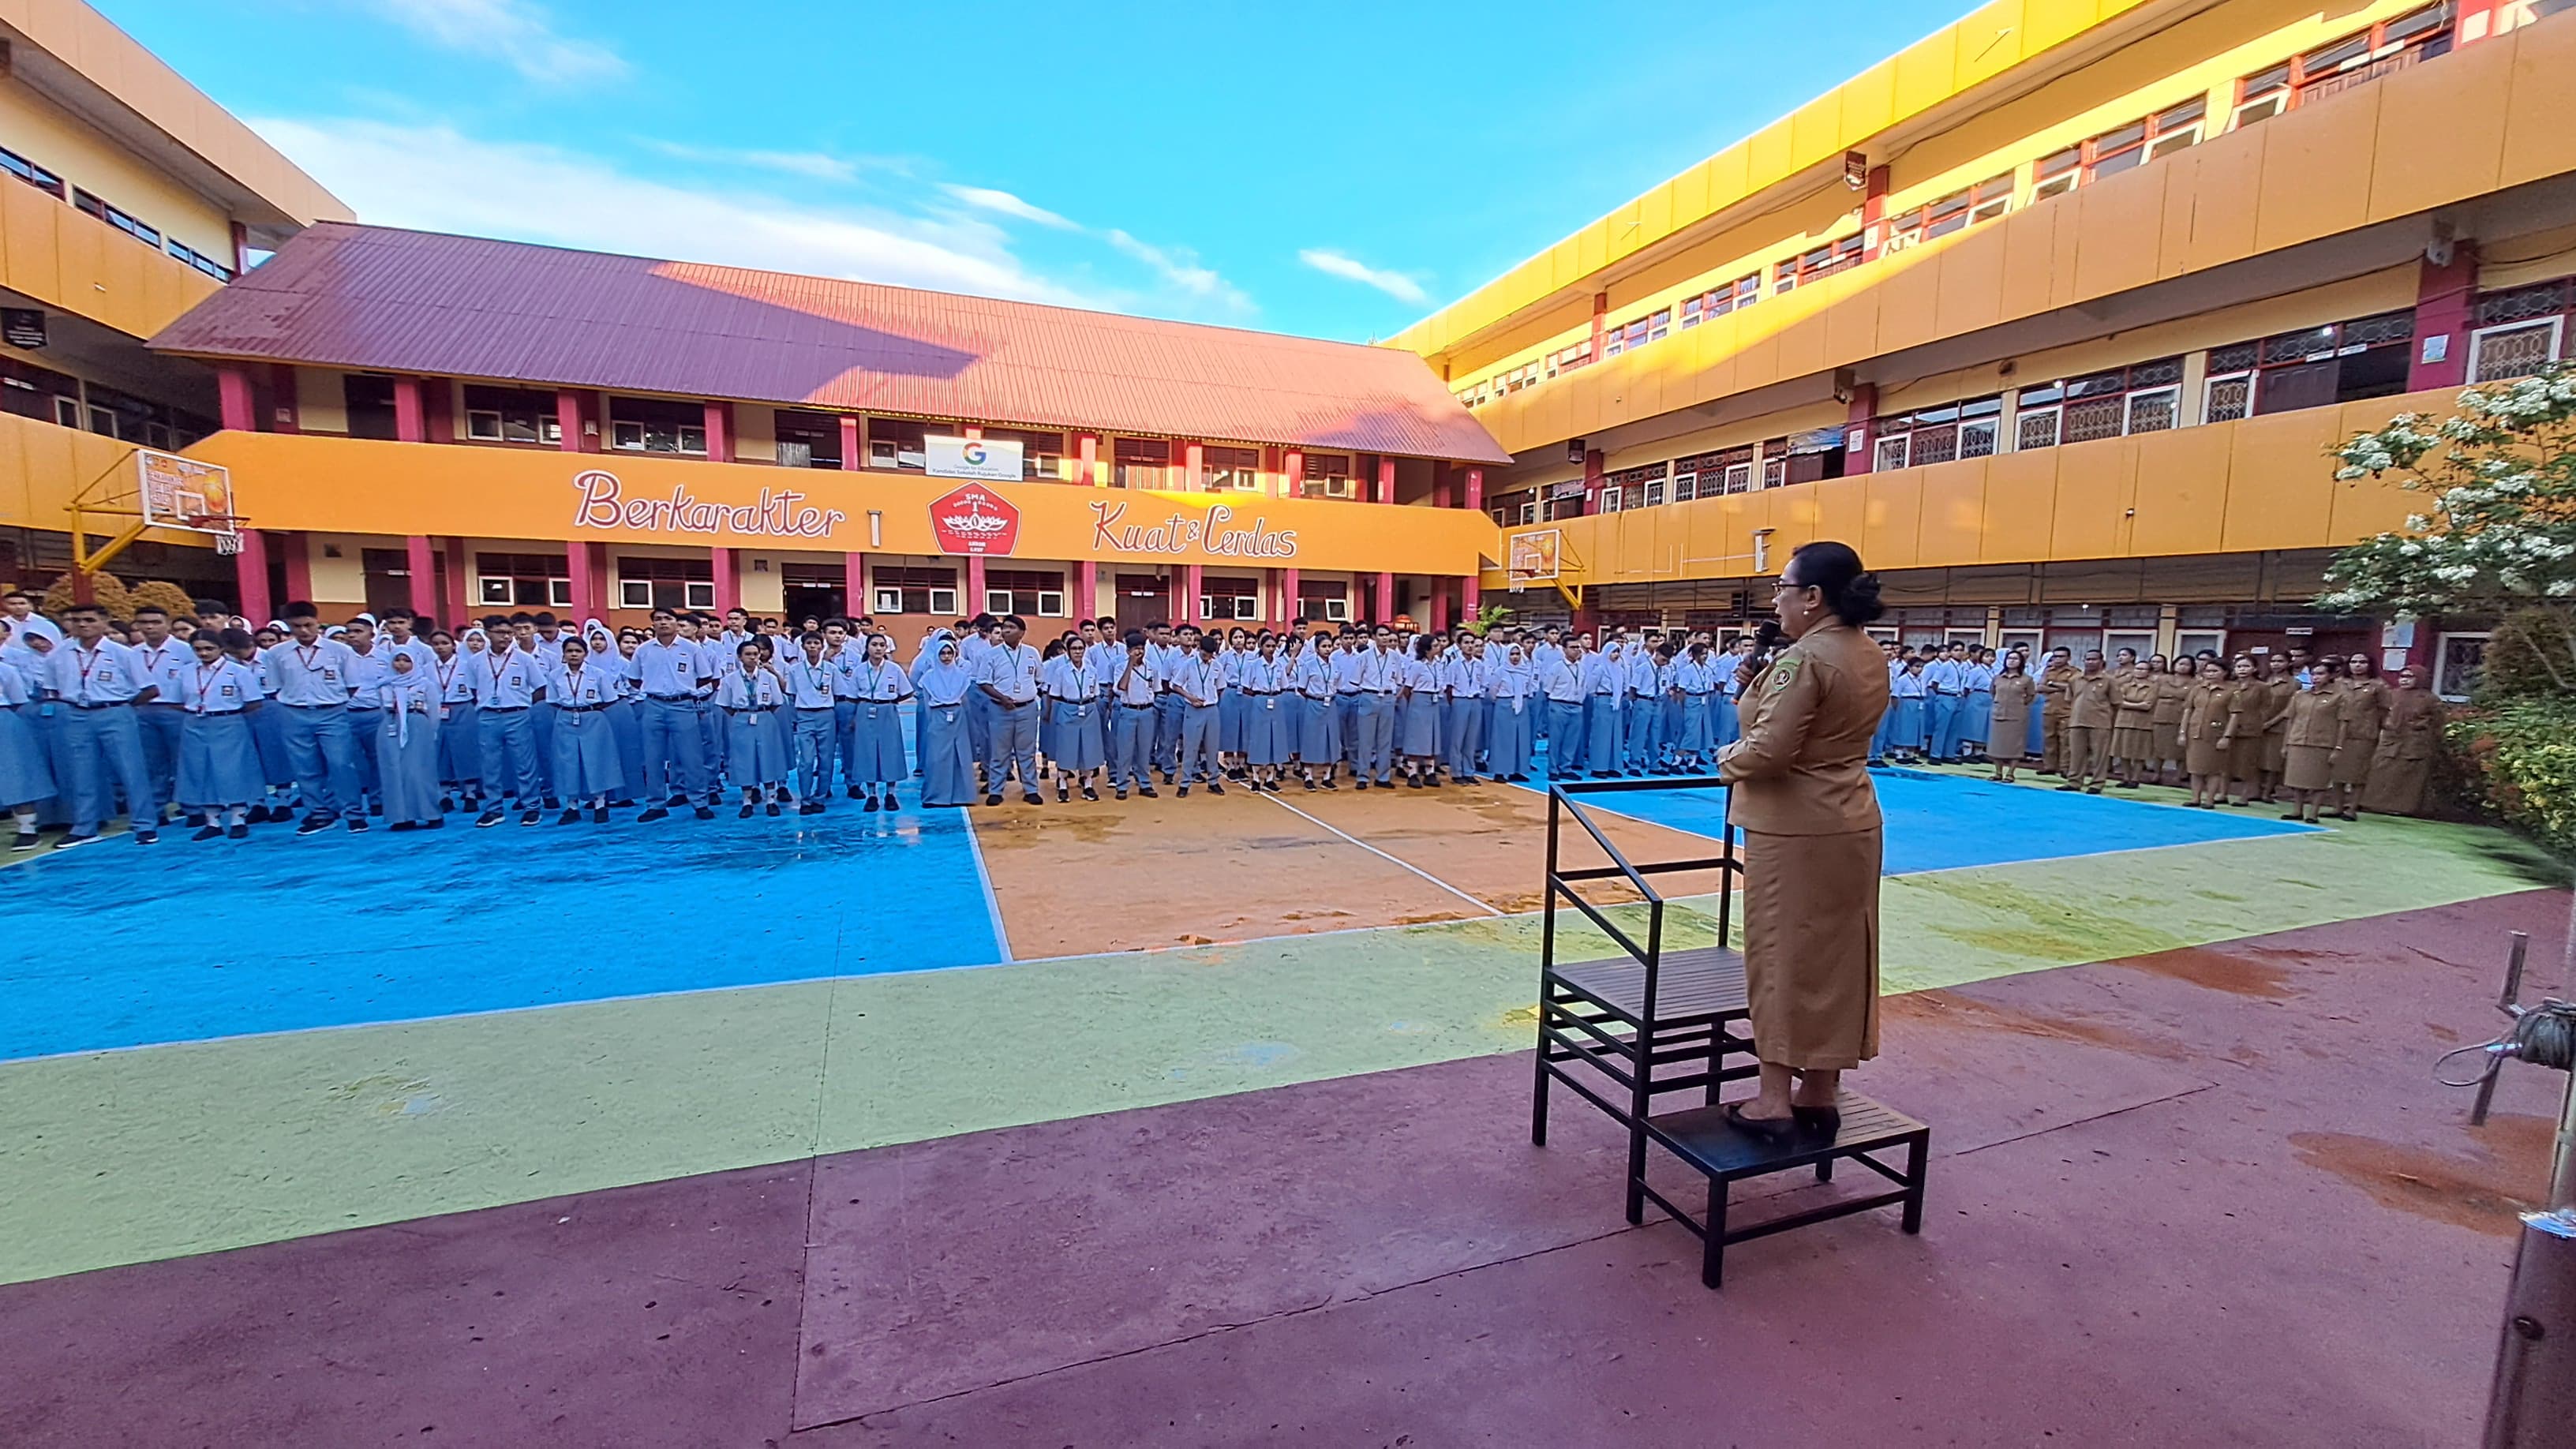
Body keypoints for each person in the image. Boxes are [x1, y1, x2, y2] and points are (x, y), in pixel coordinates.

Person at [1717, 541, 1889, 1136]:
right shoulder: (1865, 652)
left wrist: (1726, 757)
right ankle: (1821, 1089)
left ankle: (1773, 1099)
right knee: (1838, 957)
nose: (1776, 600)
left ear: (1813, 598)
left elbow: (1768, 751)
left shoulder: (1804, 659)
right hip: (1850, 820)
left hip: (1793, 828)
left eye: (1782, 589)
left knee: (1781, 956)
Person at [41, 601, 160, 847]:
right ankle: (85, 826)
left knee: (131, 770)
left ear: (105, 623)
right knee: (81, 772)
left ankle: (145, 824)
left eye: (90, 620)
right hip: (76, 714)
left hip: (114, 711)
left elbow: (150, 689)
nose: (83, 625)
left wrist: (124, 706)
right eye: (77, 621)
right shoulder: (58, 654)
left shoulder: (123, 654)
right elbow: (51, 690)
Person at [545, 635, 624, 822]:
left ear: (585, 654)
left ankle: (600, 804)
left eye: (578, 651)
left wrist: (587, 711)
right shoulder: (555, 675)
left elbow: (610, 699)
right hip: (565, 719)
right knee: (568, 761)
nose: (574, 655)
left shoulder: (597, 674)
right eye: (569, 651)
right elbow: (553, 701)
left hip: (593, 719)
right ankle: (572, 806)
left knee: (596, 760)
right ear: (563, 654)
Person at [976, 614, 1045, 806]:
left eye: (1011, 627)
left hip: (1027, 709)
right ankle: (996, 790)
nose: (1006, 631)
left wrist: (1027, 695)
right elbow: (983, 682)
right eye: (1004, 627)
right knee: (1000, 752)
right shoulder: (991, 654)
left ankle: (1031, 789)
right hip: (1000, 709)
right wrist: (1001, 698)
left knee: (1027, 752)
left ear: (1022, 632)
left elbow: (1040, 678)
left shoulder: (1032, 653)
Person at [716, 638, 789, 816]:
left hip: (765, 717)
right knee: (744, 759)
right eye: (748, 654)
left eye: (755, 654)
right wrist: (742, 714)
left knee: (768, 757)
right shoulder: (730, 679)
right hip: (742, 717)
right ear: (739, 657)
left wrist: (761, 712)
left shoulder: (769, 677)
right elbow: (725, 704)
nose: (753, 658)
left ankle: (771, 799)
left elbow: (777, 702)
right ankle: (747, 801)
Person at [375, 646, 447, 829]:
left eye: (406, 660)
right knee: (394, 770)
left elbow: (433, 711)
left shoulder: (425, 684)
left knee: (419, 770)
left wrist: (430, 731)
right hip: (392, 725)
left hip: (417, 724)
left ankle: (430, 812)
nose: (401, 664)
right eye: (397, 660)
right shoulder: (385, 684)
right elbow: (383, 709)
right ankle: (401, 817)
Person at [2361, 665, 2447, 816]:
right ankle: (2373, 804)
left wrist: (2421, 728)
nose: (2405, 680)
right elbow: (2378, 713)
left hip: (2415, 743)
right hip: (2390, 740)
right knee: (2381, 771)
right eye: (2402, 677)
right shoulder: (2390, 695)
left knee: (2409, 776)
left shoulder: (2430, 699)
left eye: (2409, 677)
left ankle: (2404, 808)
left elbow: (2438, 721)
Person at [843, 631, 913, 813]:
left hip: (888, 710)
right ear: (867, 648)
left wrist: (888, 703)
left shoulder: (894, 669)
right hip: (866, 710)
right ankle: (872, 795)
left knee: (891, 751)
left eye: (882, 645)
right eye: (874, 645)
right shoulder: (859, 670)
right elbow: (852, 696)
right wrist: (855, 717)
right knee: (867, 752)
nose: (878, 648)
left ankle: (890, 794)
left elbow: (906, 692)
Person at [0, 619, 54, 849]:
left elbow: (18, 699)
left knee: (15, 773)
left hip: (3, 716)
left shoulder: (6, 669)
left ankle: (27, 828)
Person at [2277, 657, 2346, 823]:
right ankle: (2297, 810)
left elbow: (2344, 723)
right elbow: (2291, 720)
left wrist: (2338, 747)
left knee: (2318, 781)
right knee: (2296, 780)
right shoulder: (2300, 695)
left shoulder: (2339, 697)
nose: (2316, 677)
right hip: (2298, 740)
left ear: (2330, 676)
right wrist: (2286, 743)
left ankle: (2313, 813)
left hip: (2322, 743)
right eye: (2314, 674)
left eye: (2321, 674)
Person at [915, 638, 981, 808]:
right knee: (937, 757)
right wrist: (932, 722)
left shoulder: (961, 676)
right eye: (942, 653)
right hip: (938, 715)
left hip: (958, 715)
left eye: (949, 653)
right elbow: (927, 703)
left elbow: (964, 700)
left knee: (960, 755)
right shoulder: (929, 677)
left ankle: (962, 795)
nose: (946, 657)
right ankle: (935, 796)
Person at [1043, 636, 1106, 801]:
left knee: (1089, 748)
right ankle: (1063, 783)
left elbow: (1096, 693)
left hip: (1088, 708)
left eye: (1080, 649)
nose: (1078, 652)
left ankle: (1088, 784)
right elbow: (1054, 695)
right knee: (1066, 747)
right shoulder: (1061, 671)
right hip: (1067, 708)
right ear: (1068, 651)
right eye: (1074, 649)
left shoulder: (1092, 670)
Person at [2330, 653, 2389, 820]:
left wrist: (2380, 729)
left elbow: (2385, 710)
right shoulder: (2339, 683)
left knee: (2358, 774)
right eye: (2354, 662)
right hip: (2338, 731)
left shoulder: (2378, 686)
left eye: (2363, 662)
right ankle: (2337, 808)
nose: (2358, 665)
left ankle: (2352, 809)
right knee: (2337, 772)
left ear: (2370, 665)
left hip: (2364, 734)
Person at [1172, 633, 1226, 796]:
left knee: (1212, 747)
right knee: (1191, 747)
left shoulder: (1216, 666)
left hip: (1211, 709)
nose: (1207, 658)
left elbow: (1221, 686)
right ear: (1199, 649)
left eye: (1210, 655)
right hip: (1193, 709)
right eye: (1204, 654)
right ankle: (1185, 783)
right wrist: (1190, 697)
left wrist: (1212, 699)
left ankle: (1213, 781)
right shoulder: (1189, 664)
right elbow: (1176, 685)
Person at [1109, 631, 1160, 800]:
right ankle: (1122, 784)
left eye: (1142, 648)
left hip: (1146, 711)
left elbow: (1156, 690)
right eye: (1135, 649)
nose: (1139, 652)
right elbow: (1120, 687)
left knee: (1144, 750)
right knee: (1125, 750)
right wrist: (1130, 664)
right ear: (1128, 650)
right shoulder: (1119, 667)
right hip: (1128, 710)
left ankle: (1144, 783)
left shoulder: (1152, 667)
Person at [2058, 652, 2114, 793]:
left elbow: (2116, 703)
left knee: (2099, 755)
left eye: (2094, 659)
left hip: (2100, 723)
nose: (2090, 662)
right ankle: (2074, 781)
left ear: (2101, 661)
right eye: (2088, 659)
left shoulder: (2109, 680)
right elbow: (2069, 699)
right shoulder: (2075, 679)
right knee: (2076, 753)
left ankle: (2097, 783)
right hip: (2077, 721)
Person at [1293, 631, 1341, 791]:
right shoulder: (1309, 664)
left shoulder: (1335, 664)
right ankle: (1308, 775)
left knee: (1330, 739)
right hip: (1314, 703)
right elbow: (1301, 688)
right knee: (1312, 739)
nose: (1327, 649)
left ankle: (1327, 776)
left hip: (1331, 704)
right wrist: (1314, 698)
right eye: (1324, 646)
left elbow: (1337, 684)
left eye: (1329, 646)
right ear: (1317, 648)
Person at [2180, 659, 2232, 808]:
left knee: (2213, 769)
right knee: (2195, 768)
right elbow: (2188, 710)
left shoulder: (2233, 691)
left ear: (2225, 673)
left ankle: (2209, 799)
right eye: (2208, 671)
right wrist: (2182, 732)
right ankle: (2195, 798)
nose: (2211, 674)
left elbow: (2235, 715)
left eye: (2215, 671)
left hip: (2215, 734)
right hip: (2195, 732)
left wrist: (2227, 736)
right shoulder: (2197, 689)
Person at [1986, 650, 2037, 783]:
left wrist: (2020, 705)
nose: (2012, 661)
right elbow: (1992, 692)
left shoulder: (2027, 679)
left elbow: (2031, 696)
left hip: (2017, 716)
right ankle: (1998, 772)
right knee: (1996, 744)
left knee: (2015, 745)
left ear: (2021, 662)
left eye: (2015, 658)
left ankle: (2011, 773)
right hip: (1999, 714)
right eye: (2009, 658)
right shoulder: (1998, 678)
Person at [2110, 658, 2158, 788]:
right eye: (2137, 668)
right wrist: (2137, 704)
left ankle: (2135, 779)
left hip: (2142, 723)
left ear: (2149, 672)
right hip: (2123, 721)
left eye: (2143, 669)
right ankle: (2126, 778)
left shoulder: (2153, 687)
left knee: (2139, 754)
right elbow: (2118, 702)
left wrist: (2128, 704)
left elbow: (2147, 705)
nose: (2139, 671)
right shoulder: (2125, 685)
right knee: (2123, 752)